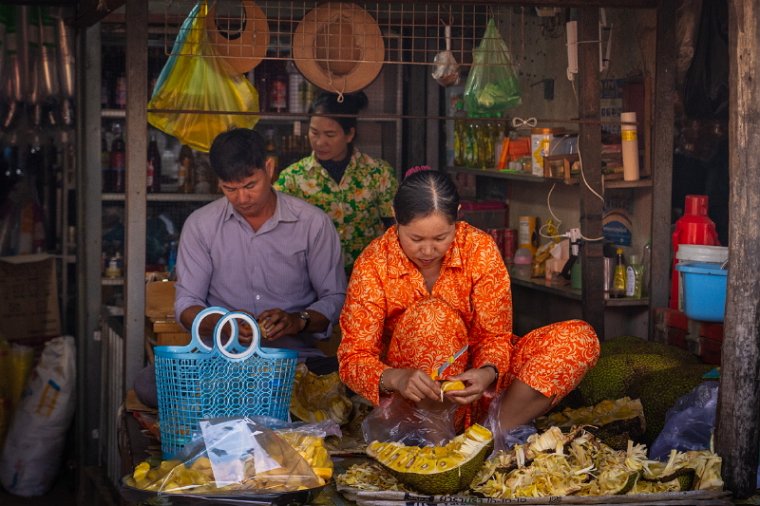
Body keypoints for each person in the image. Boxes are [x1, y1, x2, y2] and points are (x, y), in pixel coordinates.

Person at [337, 167, 600, 436]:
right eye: (415, 239)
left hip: (480, 396)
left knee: (579, 339)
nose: (428, 250)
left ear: (457, 216)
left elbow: (495, 335)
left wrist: (487, 372)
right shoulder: (373, 263)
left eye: (441, 238)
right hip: (412, 404)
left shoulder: (479, 248)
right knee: (432, 316)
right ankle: (438, 447)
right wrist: (396, 378)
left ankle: (485, 439)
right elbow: (352, 358)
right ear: (395, 217)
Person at [174, 128, 347, 364]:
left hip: (294, 360)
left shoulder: (313, 224)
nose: (242, 199)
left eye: (250, 185)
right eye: (230, 189)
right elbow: (187, 304)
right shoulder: (200, 226)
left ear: (269, 167)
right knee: (147, 384)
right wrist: (224, 325)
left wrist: (297, 320)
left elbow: (335, 297)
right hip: (221, 360)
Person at [274, 91, 398, 274]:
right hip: (311, 280)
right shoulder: (292, 178)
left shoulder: (378, 173)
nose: (320, 142)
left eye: (330, 135)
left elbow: (396, 229)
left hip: (369, 279)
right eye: (314, 132)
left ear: (349, 135)